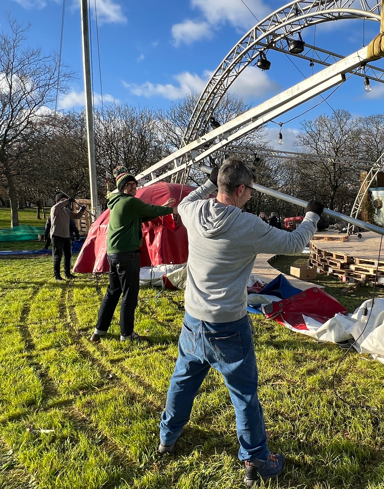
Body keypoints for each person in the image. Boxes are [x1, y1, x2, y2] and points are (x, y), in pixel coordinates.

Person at [157, 158, 324, 487]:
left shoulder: (193, 211)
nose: (250, 197)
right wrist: (312, 215)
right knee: (244, 395)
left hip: (194, 322)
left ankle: (167, 439)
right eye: (248, 191)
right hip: (228, 327)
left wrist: (207, 182)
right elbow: (294, 243)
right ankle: (256, 459)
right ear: (242, 189)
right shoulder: (246, 226)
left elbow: (185, 201)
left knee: (182, 382)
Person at [90, 168, 176, 342]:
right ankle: (127, 334)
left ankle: (99, 330)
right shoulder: (129, 202)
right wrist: (170, 210)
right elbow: (150, 210)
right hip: (126, 255)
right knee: (130, 294)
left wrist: (163, 208)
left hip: (114, 254)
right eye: (128, 185)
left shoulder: (117, 203)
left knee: (113, 292)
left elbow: (139, 218)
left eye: (134, 184)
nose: (132, 187)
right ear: (122, 187)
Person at [49, 193, 86, 280]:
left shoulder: (66, 211)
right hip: (56, 235)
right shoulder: (54, 209)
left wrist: (82, 210)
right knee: (58, 256)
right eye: (62, 200)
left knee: (68, 255)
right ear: (57, 201)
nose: (65, 202)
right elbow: (59, 206)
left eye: (65, 200)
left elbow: (77, 216)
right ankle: (57, 276)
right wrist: (68, 200)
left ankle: (68, 274)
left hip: (66, 236)